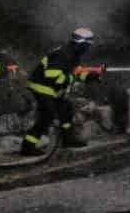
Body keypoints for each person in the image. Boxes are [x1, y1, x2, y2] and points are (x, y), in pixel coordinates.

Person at [20, 28, 100, 156]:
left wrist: (92, 76)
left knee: (66, 109)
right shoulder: (61, 54)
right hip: (41, 87)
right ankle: (27, 147)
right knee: (47, 114)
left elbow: (77, 74)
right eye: (88, 45)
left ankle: (68, 140)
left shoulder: (74, 55)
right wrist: (72, 77)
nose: (88, 49)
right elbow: (52, 77)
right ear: (81, 43)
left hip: (52, 89)